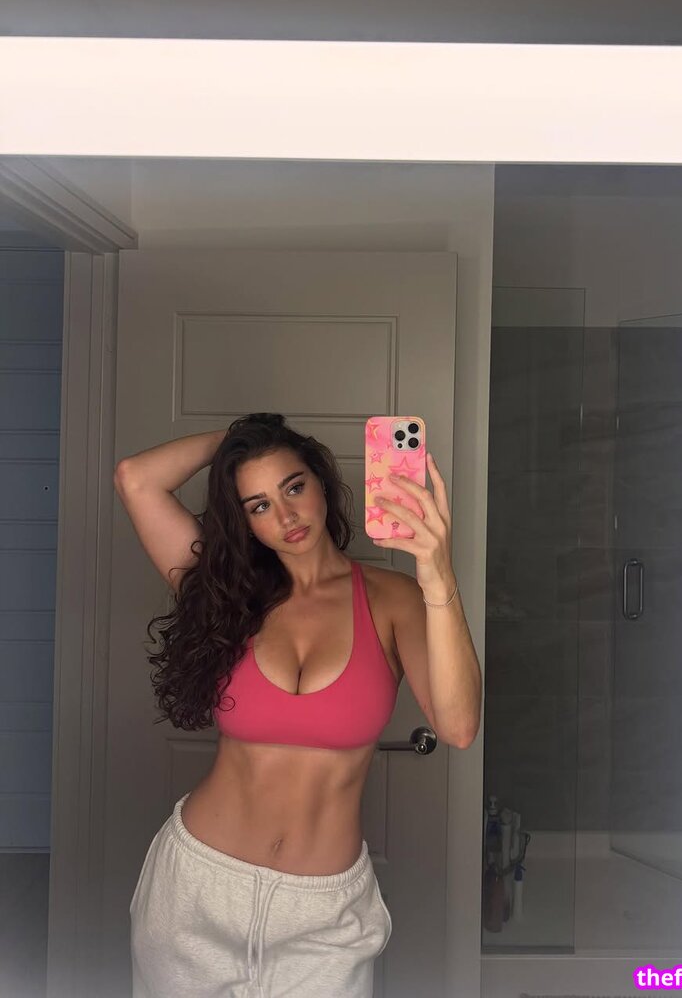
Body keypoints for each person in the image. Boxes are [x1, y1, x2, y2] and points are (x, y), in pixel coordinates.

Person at [114, 413, 481, 998]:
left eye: (293, 486)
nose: (285, 517)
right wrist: (240, 439)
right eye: (258, 505)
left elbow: (459, 726)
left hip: (322, 915)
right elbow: (136, 478)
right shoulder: (227, 593)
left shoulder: (394, 598)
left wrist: (437, 574)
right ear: (243, 520)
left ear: (321, 481)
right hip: (198, 891)